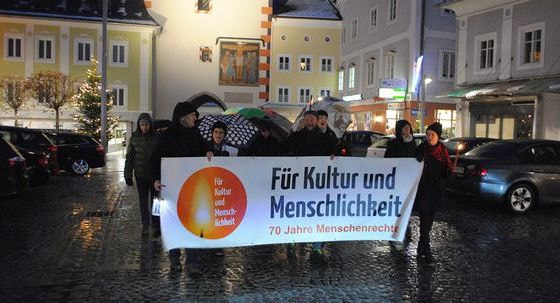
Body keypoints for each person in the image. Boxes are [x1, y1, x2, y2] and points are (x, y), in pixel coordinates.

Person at [151, 101, 212, 271]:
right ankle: (174, 259)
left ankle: (192, 260)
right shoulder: (167, 136)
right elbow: (155, 159)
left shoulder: (196, 134)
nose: (195, 118)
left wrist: (208, 152)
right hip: (171, 190)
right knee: (173, 224)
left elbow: (203, 152)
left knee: (193, 224)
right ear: (183, 117)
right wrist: (155, 179)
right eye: (193, 115)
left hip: (192, 189)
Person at [284, 110, 335, 256]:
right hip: (298, 182)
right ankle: (292, 237)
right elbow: (281, 148)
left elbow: (336, 150)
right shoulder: (296, 136)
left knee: (318, 213)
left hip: (318, 183)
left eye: (312, 119)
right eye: (307, 120)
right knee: (295, 211)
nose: (310, 122)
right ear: (303, 121)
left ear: (316, 121)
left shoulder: (326, 136)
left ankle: (317, 245)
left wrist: (334, 154)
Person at [414, 122, 453, 266]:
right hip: (423, 190)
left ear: (438, 136)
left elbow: (446, 168)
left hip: (436, 191)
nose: (429, 137)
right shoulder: (421, 149)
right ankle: (428, 252)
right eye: (428, 134)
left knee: (429, 222)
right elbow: (412, 163)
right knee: (424, 221)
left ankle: (420, 246)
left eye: (433, 134)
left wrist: (448, 173)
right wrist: (417, 159)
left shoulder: (442, 150)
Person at [124, 113, 160, 236]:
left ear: (150, 125)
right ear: (139, 125)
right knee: (143, 202)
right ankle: (145, 225)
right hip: (140, 175)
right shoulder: (134, 138)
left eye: (146, 124)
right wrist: (127, 174)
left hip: (155, 176)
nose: (144, 127)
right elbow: (129, 157)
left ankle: (156, 225)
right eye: (142, 124)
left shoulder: (157, 137)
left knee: (156, 202)